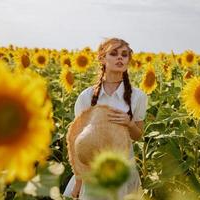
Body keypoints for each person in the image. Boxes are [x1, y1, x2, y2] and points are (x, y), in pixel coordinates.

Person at [63, 38, 148, 199]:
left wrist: (129, 124)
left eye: (124, 54)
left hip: (123, 170)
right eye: (114, 54)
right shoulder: (86, 97)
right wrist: (79, 181)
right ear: (102, 58)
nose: (120, 58)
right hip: (92, 171)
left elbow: (138, 136)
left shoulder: (137, 97)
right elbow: (77, 142)